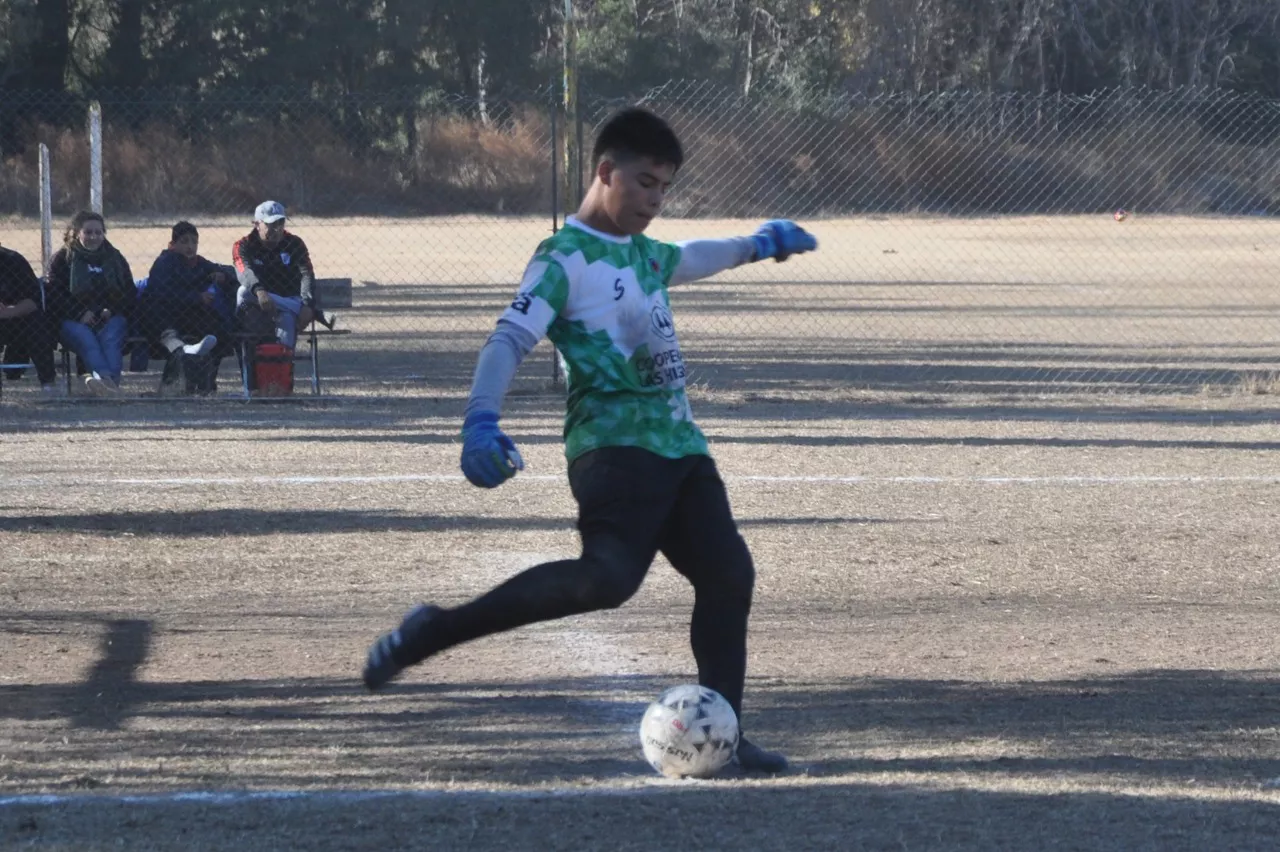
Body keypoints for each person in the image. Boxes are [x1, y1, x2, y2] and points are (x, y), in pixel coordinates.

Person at [361, 106, 818, 774]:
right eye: (644, 183)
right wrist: (480, 419)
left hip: (681, 447)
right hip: (613, 450)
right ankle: (434, 629)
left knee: (728, 574)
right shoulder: (562, 258)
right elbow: (508, 340)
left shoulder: (643, 255)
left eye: (665, 187)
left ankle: (727, 735)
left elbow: (694, 256)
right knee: (607, 579)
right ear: (606, 172)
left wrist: (760, 242)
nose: (656, 200)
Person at [46, 211, 134, 396]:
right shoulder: (63, 259)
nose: (93, 237)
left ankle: (103, 386)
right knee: (87, 339)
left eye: (98, 232)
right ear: (77, 233)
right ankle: (108, 383)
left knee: (110, 339)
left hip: (110, 317)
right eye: (88, 232)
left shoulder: (115, 258)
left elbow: (129, 292)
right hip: (73, 319)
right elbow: (54, 294)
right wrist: (80, 313)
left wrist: (112, 309)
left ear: (104, 233)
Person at [139, 221, 232, 394]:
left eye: (194, 242)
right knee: (164, 322)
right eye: (184, 242)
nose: (190, 247)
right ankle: (181, 350)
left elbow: (226, 271)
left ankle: (206, 381)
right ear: (172, 245)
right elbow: (162, 292)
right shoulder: (165, 262)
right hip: (162, 314)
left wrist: (222, 276)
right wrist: (197, 297)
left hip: (187, 316)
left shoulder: (199, 263)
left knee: (217, 328)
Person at [232, 200, 318, 351]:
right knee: (244, 292)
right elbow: (244, 272)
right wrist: (259, 291)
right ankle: (312, 312)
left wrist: (306, 303)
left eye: (281, 222)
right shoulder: (243, 245)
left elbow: (307, 274)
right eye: (271, 224)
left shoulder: (295, 243)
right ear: (256, 224)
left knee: (287, 320)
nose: (277, 229)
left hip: (287, 303)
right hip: (254, 306)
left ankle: (282, 370)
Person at [0, 243, 59, 396]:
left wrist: (9, 311)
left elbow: (34, 300)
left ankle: (48, 383)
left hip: (17, 317)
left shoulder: (13, 260)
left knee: (38, 323)